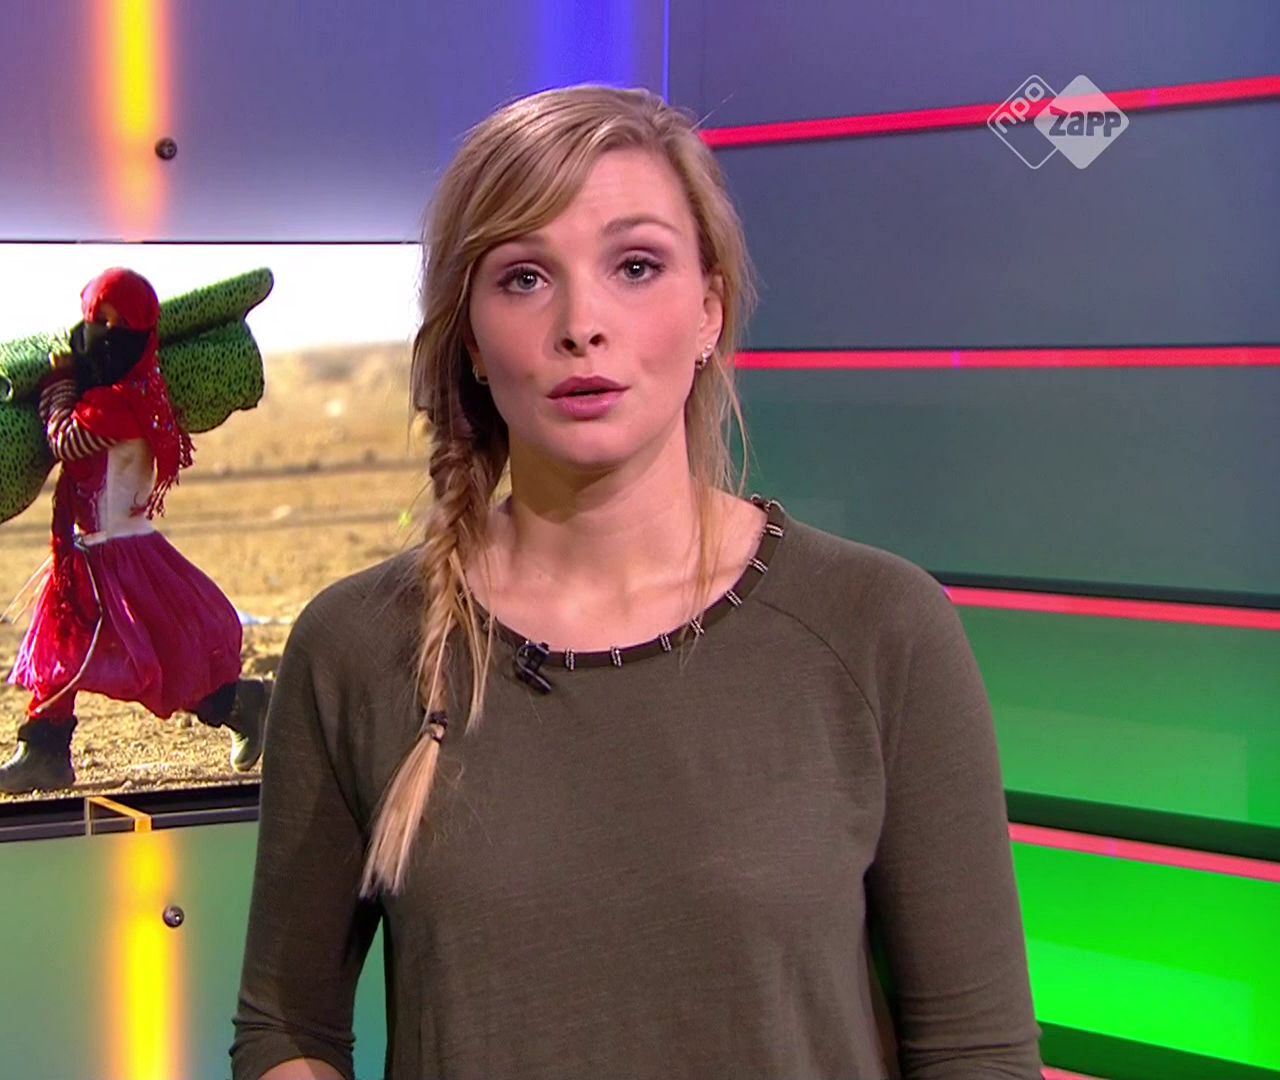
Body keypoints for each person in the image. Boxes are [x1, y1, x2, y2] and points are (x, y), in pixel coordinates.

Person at [230, 85, 1043, 1080]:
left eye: (636, 266)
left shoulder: (879, 627)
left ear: (709, 310)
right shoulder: (357, 645)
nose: (582, 324)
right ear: (471, 338)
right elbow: (287, 1029)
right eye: (524, 277)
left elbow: (977, 1051)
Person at [0, 267, 270, 794]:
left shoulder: (120, 402)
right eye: (98, 321)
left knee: (155, 661)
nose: (105, 335)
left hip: (119, 560)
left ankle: (238, 705)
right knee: (62, 651)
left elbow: (67, 440)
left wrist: (58, 386)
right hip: (90, 555)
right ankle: (44, 749)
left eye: (118, 324)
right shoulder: (141, 388)